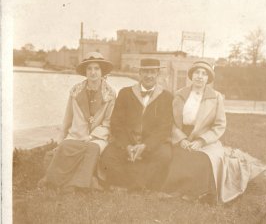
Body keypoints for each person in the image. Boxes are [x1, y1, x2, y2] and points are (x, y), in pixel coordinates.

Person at [160, 60, 265, 203]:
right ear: (191, 75)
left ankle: (195, 192)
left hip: (206, 138)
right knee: (177, 154)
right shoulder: (180, 94)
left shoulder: (216, 97)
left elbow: (219, 125)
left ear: (208, 78)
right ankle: (175, 189)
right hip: (181, 135)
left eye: (204, 74)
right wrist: (181, 139)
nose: (200, 76)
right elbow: (171, 121)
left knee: (204, 158)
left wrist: (201, 141)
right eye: (197, 72)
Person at [39, 52, 116, 194]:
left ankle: (76, 185)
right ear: (85, 72)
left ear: (102, 71)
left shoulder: (110, 94)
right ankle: (54, 181)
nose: (93, 72)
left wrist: (92, 136)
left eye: (96, 68)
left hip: (98, 137)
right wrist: (61, 139)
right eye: (89, 69)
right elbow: (68, 118)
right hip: (77, 133)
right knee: (67, 145)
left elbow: (108, 122)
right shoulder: (75, 91)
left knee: (93, 148)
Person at [101, 58, 173, 191]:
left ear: (158, 73)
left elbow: (164, 128)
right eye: (145, 71)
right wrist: (127, 145)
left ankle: (129, 186)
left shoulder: (167, 97)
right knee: (108, 156)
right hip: (127, 142)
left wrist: (146, 146)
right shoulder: (125, 93)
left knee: (164, 156)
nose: (149, 75)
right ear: (139, 73)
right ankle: (139, 185)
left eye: (152, 72)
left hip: (151, 145)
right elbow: (116, 124)